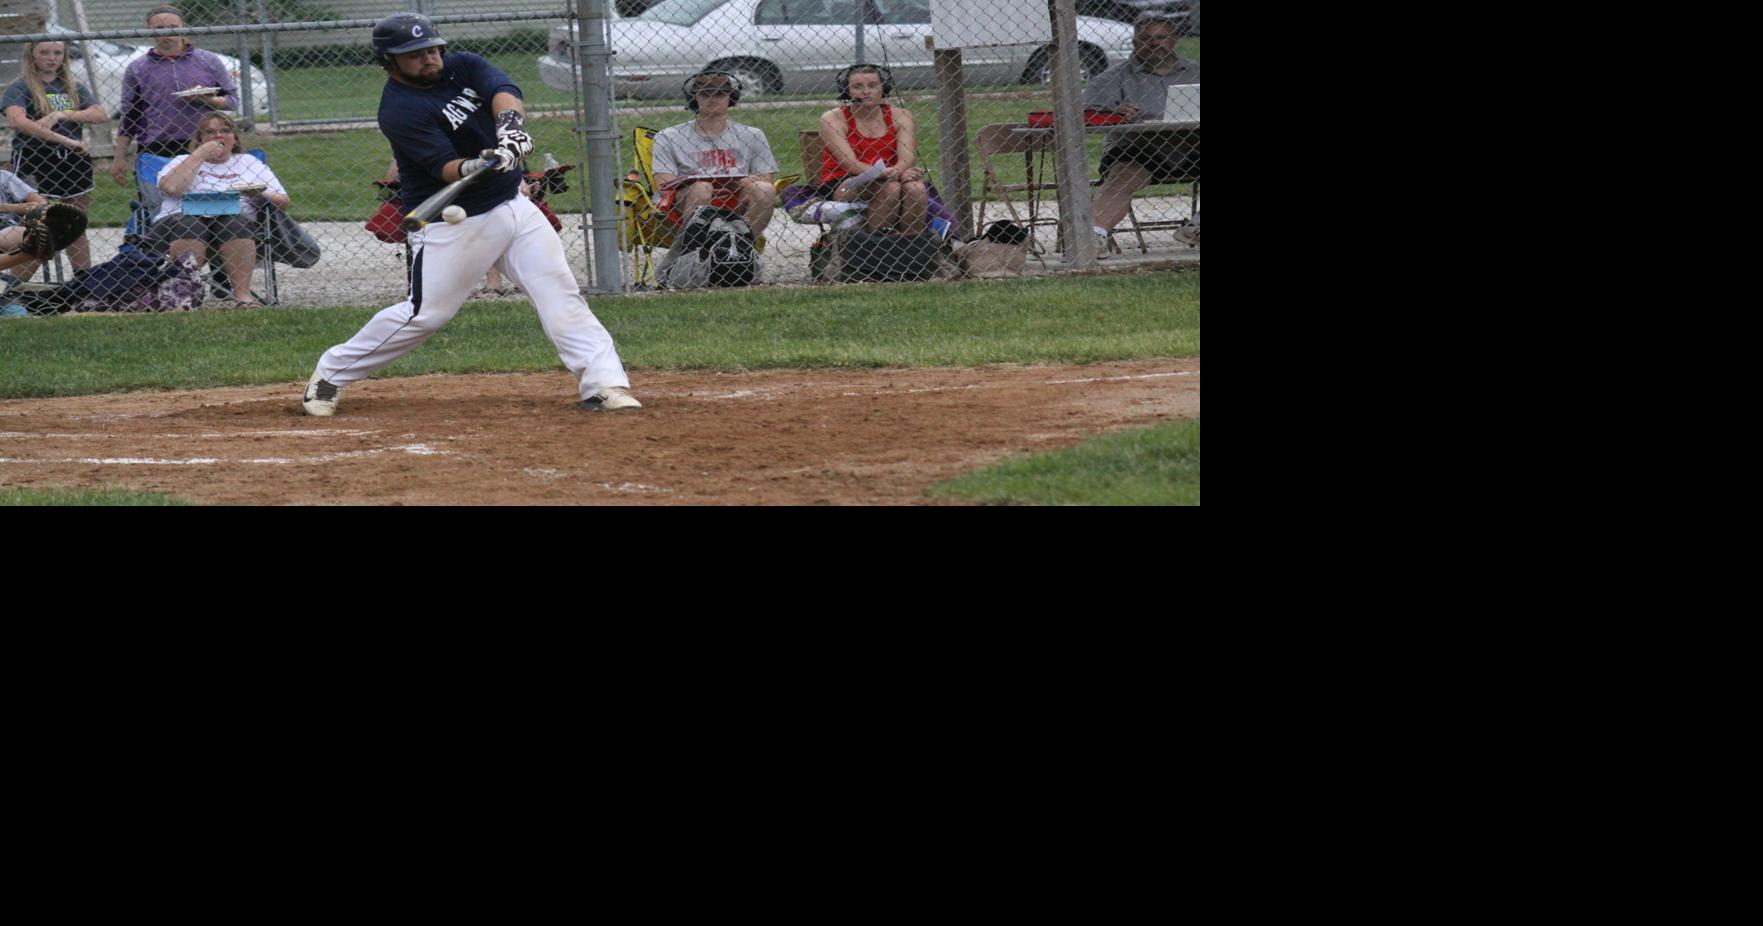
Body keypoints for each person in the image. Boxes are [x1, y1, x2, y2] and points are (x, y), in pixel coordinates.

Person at [302, 14, 638, 416]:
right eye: (415, 55)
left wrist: (510, 131)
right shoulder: (399, 110)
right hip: (455, 221)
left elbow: (503, 89)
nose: (429, 59)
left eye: (432, 49)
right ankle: (331, 373)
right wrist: (478, 164)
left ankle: (604, 384)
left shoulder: (463, 65)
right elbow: (444, 168)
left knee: (559, 294)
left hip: (514, 204)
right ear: (389, 61)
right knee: (424, 315)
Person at [1079, 12, 1201, 252]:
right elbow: (1086, 117)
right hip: (1138, 148)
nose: (1154, 43)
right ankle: (1093, 238)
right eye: (1146, 38)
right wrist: (1115, 114)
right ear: (1134, 42)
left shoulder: (1195, 71)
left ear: (1174, 40)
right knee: (1123, 176)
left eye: (1161, 37)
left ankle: (1195, 228)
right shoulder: (1112, 78)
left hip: (1192, 145)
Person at [145, 112, 287, 308]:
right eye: (209, 132)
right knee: (190, 223)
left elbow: (283, 202)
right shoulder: (182, 160)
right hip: (180, 222)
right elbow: (172, 188)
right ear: (200, 139)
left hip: (235, 223)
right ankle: (183, 298)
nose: (218, 135)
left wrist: (258, 194)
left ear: (235, 138)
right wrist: (200, 155)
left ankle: (243, 298)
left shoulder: (249, 163)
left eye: (225, 130)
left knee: (235, 222)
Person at [109, 5, 240, 190]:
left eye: (172, 27)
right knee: (160, 205)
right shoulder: (138, 68)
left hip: (204, 143)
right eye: (159, 29)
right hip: (157, 146)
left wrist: (206, 99)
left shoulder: (208, 61)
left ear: (183, 26)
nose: (166, 33)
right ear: (149, 29)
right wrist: (119, 156)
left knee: (208, 201)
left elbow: (233, 102)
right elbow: (130, 115)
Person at [3, 39, 107, 271]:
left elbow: (99, 114)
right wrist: (66, 140)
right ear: (32, 56)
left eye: (58, 53)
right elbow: (18, 121)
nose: (52, 57)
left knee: (75, 224)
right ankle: (15, 290)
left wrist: (61, 114)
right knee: (39, 227)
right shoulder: (20, 87)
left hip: (72, 160)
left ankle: (83, 283)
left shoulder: (72, 86)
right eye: (44, 52)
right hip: (36, 158)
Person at [650, 70, 778, 239]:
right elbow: (664, 184)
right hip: (689, 200)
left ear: (731, 98)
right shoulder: (668, 136)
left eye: (720, 93)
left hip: (736, 197)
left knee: (765, 189)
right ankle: (696, 247)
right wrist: (701, 185)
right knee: (703, 188)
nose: (713, 98)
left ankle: (742, 245)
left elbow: (766, 179)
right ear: (694, 97)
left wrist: (743, 183)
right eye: (705, 93)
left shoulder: (752, 135)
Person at [815, 64, 929, 235]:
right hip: (846, 181)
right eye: (857, 87)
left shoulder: (901, 116)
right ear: (847, 91)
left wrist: (896, 172)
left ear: (884, 88)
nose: (866, 92)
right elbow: (849, 163)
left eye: (873, 85)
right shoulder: (833, 118)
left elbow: (907, 158)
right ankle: (876, 248)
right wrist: (890, 175)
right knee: (890, 188)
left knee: (916, 189)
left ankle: (910, 246)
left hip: (893, 175)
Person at [0, 168, 49, 278]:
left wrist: (2, 207)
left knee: (36, 238)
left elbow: (42, 205)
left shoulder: (3, 176)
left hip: (3, 226)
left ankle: (13, 290)